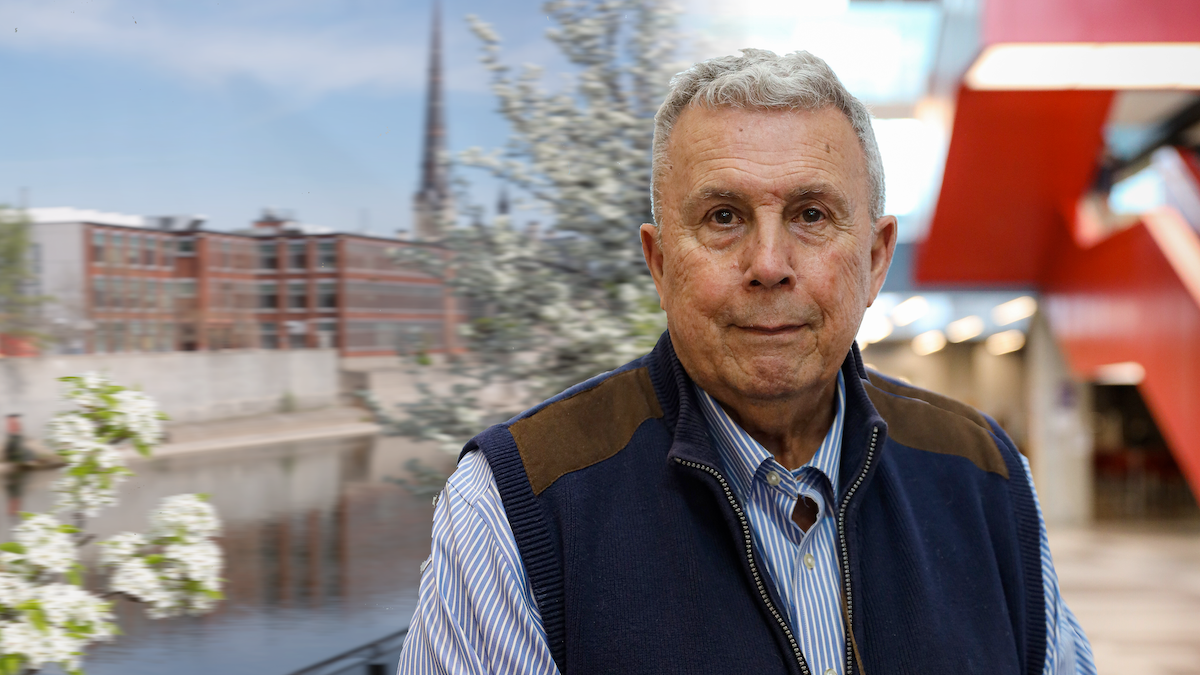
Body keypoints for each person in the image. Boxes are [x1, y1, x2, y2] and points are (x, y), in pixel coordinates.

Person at [397, 49, 1095, 675]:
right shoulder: (516, 509)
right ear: (661, 262)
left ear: (876, 259)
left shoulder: (983, 476)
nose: (768, 264)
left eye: (812, 215)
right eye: (724, 216)